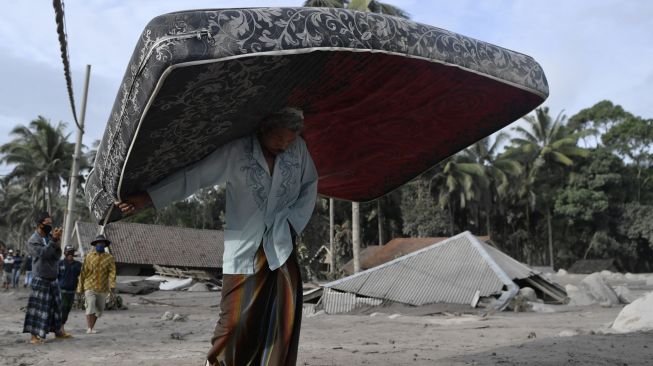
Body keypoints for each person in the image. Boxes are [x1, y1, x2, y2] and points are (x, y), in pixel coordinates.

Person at [118, 107, 318, 366]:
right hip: (245, 249)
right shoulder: (237, 152)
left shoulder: (298, 150)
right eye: (279, 138)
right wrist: (149, 197)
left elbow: (309, 185)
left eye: (290, 139)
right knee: (234, 322)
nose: (284, 144)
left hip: (281, 247)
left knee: (281, 319)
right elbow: (195, 177)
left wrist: (291, 223)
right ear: (263, 130)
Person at [23, 212, 72, 344]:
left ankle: (58, 331)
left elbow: (57, 255)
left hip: (53, 277)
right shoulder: (33, 240)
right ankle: (34, 336)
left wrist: (56, 241)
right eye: (48, 223)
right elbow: (43, 254)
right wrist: (53, 241)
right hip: (41, 278)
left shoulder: (49, 237)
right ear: (40, 225)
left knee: (57, 307)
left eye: (51, 223)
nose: (50, 225)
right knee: (38, 308)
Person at [76, 234, 116, 334]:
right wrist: (79, 288)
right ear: (95, 245)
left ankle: (91, 327)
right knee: (91, 304)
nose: (100, 245)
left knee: (99, 309)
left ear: (105, 245)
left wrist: (112, 286)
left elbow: (112, 273)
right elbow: (83, 272)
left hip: (102, 288)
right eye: (98, 243)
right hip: (89, 286)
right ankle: (89, 328)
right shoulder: (89, 257)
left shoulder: (109, 258)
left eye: (102, 243)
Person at [58, 245, 82, 335]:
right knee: (63, 309)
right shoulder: (60, 264)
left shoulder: (78, 265)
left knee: (67, 310)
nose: (70, 254)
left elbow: (82, 277)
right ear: (65, 253)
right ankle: (60, 328)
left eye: (72, 252)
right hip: (61, 291)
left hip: (72, 292)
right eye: (68, 252)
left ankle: (61, 326)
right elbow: (55, 277)